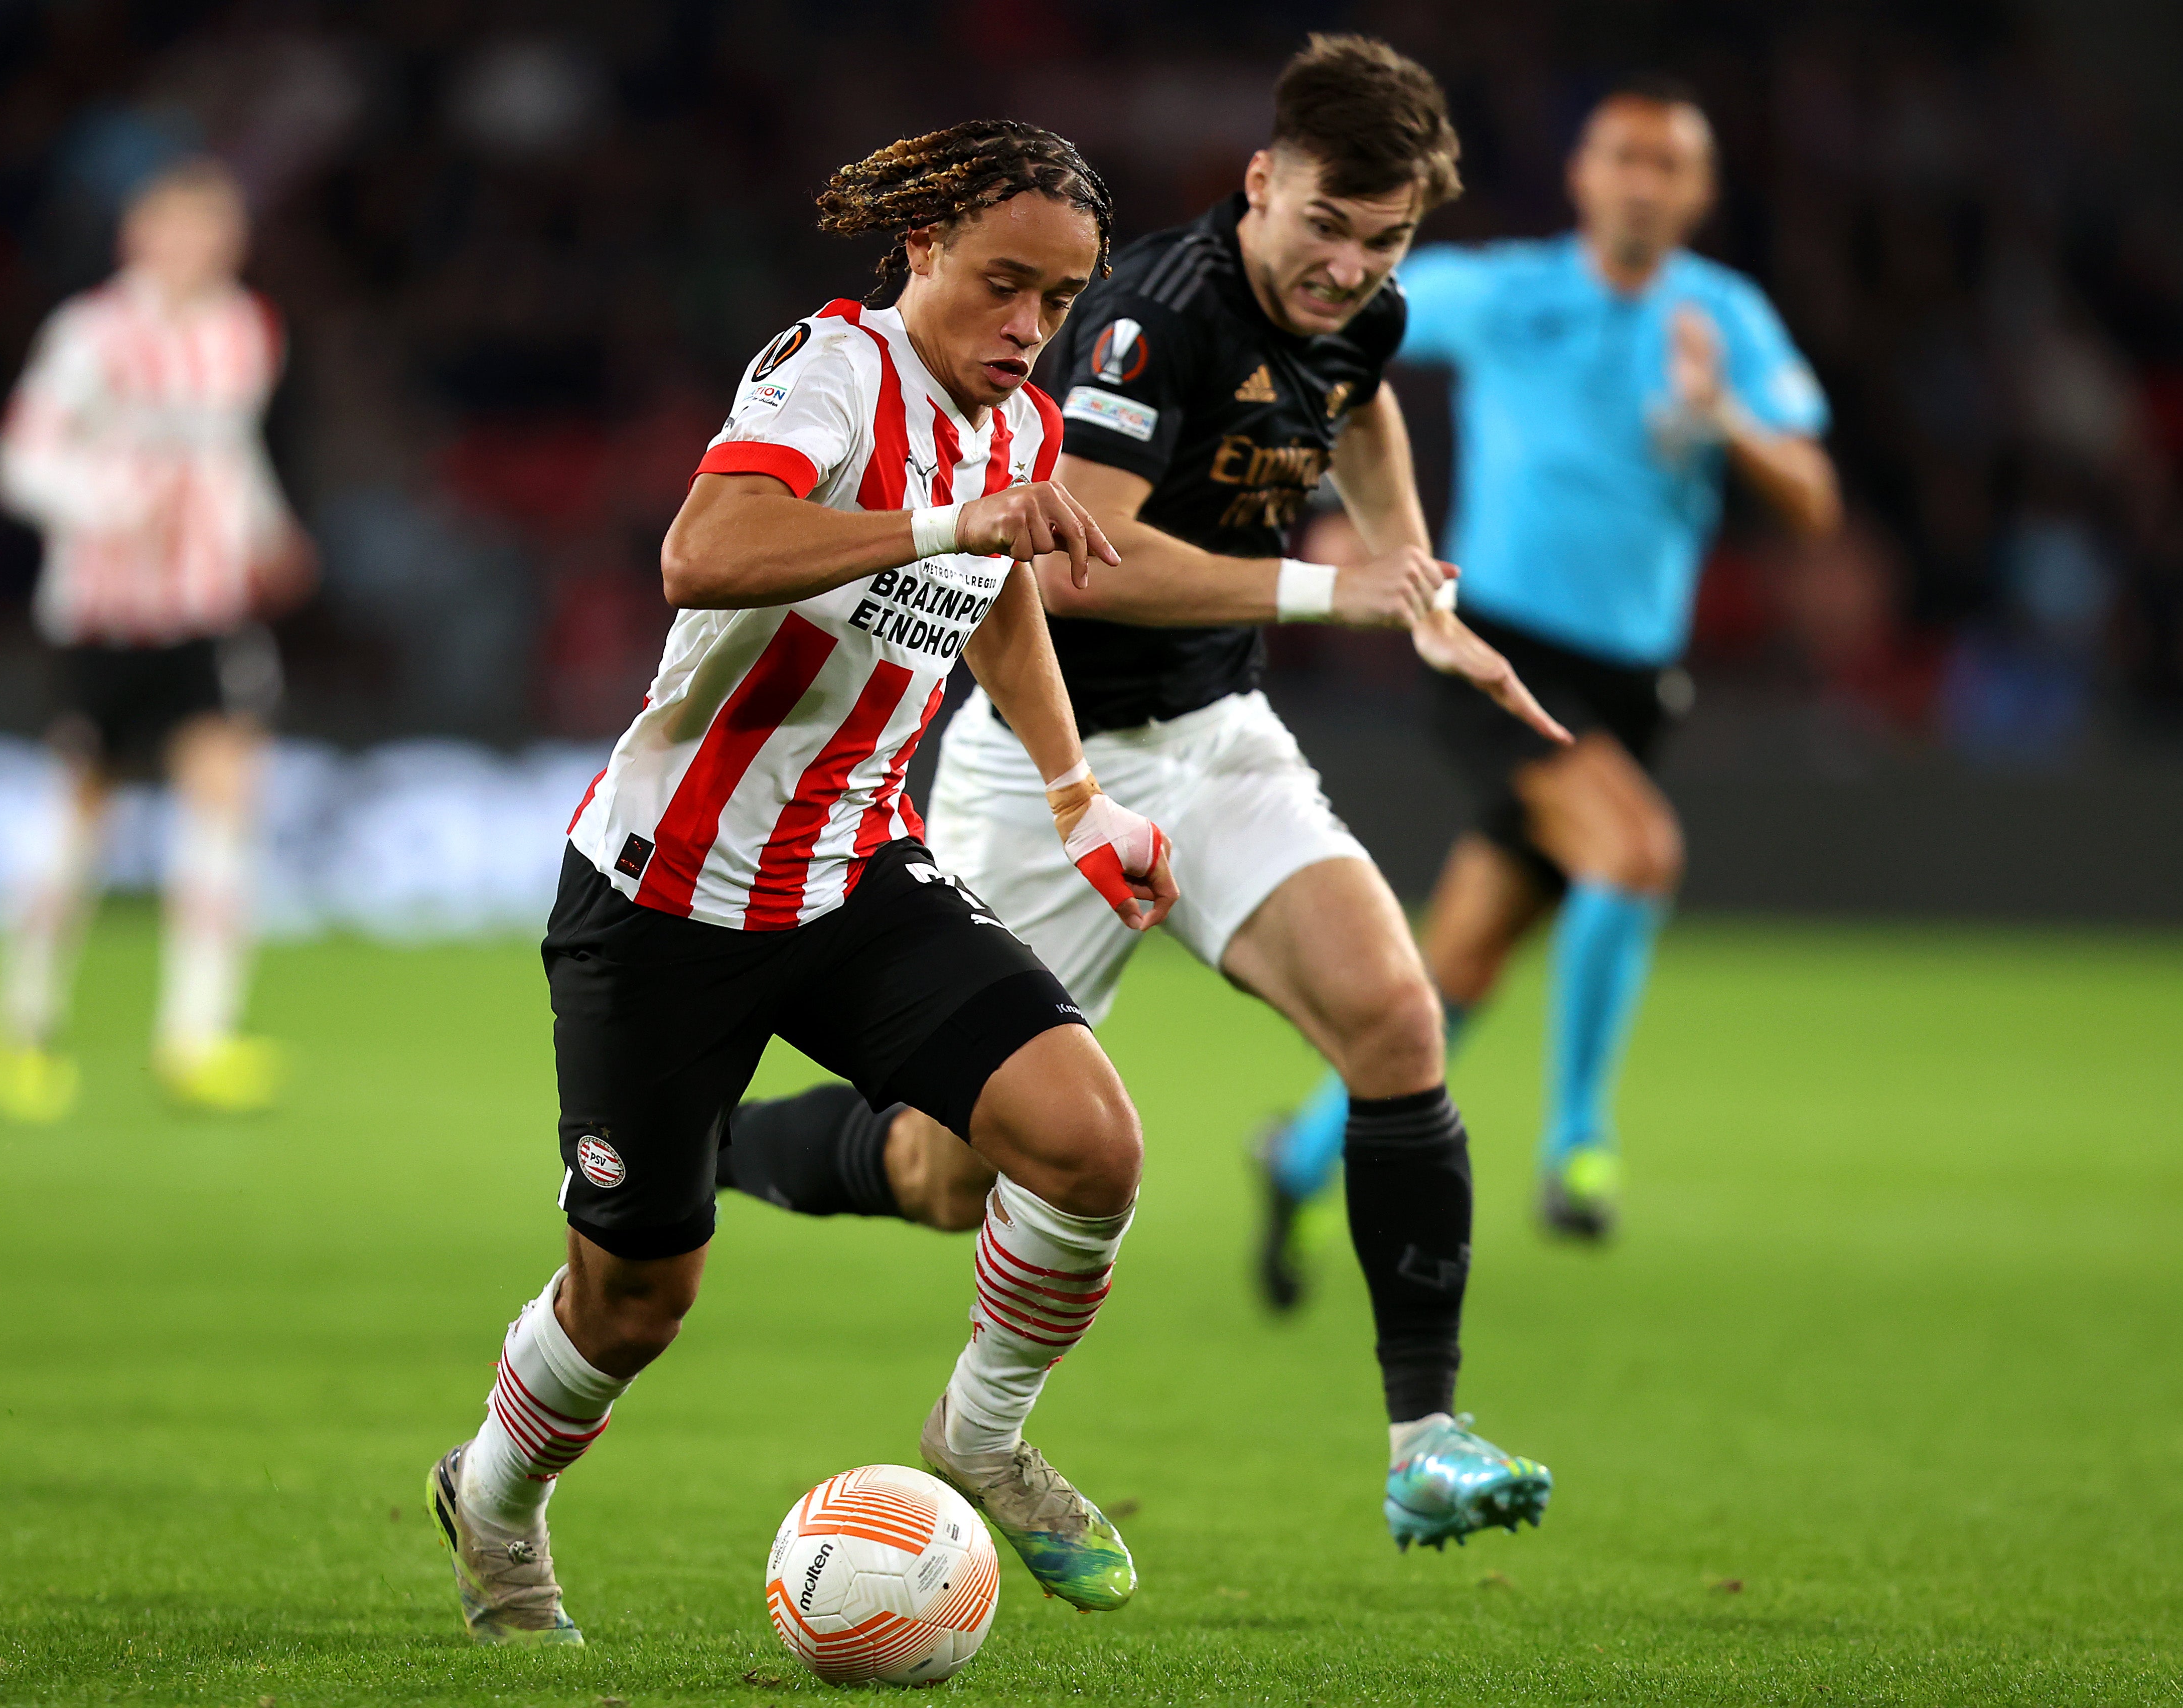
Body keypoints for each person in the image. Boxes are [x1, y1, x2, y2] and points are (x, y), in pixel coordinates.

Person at [714, 36, 1560, 1556]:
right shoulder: (1148, 317)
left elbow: (1356, 399)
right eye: (1325, 227)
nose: (1349, 268)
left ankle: (1424, 1436)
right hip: (1049, 767)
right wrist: (1332, 589)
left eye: (1384, 242)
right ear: (1260, 184)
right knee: (940, 1174)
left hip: (1217, 738)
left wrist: (1415, 577)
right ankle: (702, 1137)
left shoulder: (1359, 312)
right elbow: (1068, 553)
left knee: (1395, 1017)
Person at [424, 121, 1180, 1646]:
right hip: (662, 901)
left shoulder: (1015, 422)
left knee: (1088, 1141)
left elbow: (997, 595)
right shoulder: (829, 371)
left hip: (850, 880)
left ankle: (975, 1436)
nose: (1028, 328)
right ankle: (495, 1498)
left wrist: (1075, 791)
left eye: (1058, 297)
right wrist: (950, 519)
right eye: (1001, 285)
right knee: (637, 1302)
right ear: (920, 253)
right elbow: (701, 552)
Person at [1256, 75, 1841, 1260]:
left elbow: (1815, 501)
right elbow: (1327, 309)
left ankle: (1301, 1155)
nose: (1640, 180)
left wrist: (1721, 415)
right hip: (1499, 649)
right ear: (1583, 176)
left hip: (1631, 681)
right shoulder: (1513, 291)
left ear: (1696, 191)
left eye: (1665, 163)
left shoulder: (1722, 322)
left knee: (1460, 964)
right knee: (1637, 853)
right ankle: (1577, 1143)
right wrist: (1312, 483)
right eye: (1621, 156)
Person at [0, 157, 312, 1121]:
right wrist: (112, 507)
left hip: (209, 606)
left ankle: (195, 1035)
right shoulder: (92, 335)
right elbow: (20, 461)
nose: (198, 247)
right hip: (104, 610)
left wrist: (266, 526)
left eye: (215, 230)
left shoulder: (244, 329)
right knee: (84, 805)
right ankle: (24, 1020)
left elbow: (231, 446)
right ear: (139, 236)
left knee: (226, 791)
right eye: (179, 228)